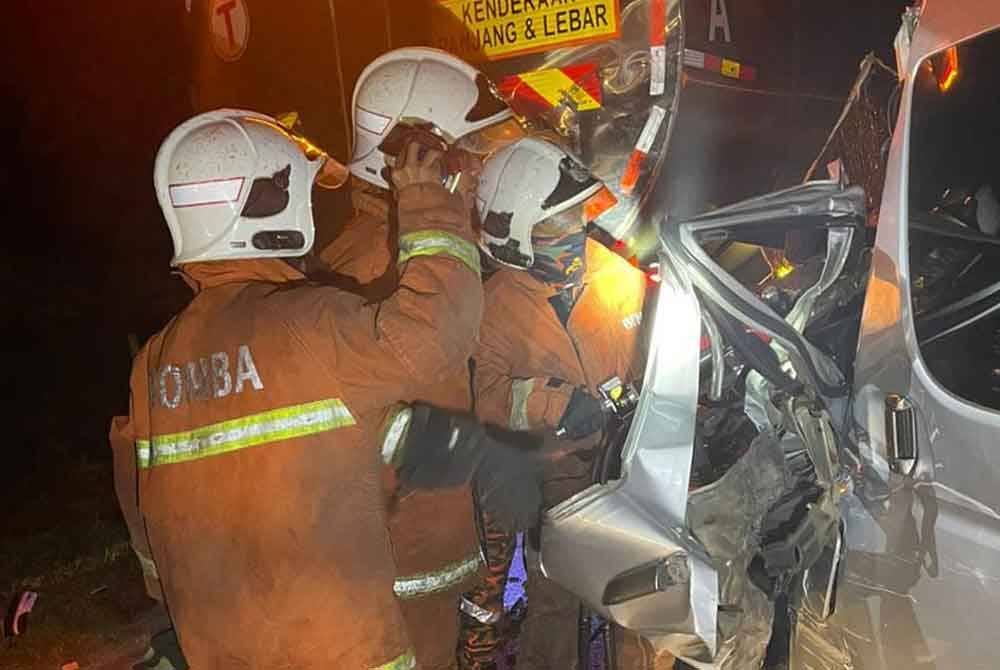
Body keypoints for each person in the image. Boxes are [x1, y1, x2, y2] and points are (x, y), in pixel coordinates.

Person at [110, 108, 488, 670]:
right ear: (268, 206)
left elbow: (139, 501)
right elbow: (439, 332)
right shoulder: (310, 324)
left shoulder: (156, 362)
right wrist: (429, 203)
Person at [315, 47, 526, 670]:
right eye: (472, 155)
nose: (484, 171)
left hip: (432, 552)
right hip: (403, 576)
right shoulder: (374, 271)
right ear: (422, 155)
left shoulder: (421, 256)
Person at [472, 137, 674, 670]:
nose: (573, 236)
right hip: (555, 478)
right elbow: (485, 404)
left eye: (575, 217)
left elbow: (660, 356)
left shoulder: (618, 274)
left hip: (629, 468)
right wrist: (552, 405)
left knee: (637, 602)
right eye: (553, 227)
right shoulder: (492, 309)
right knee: (554, 603)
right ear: (512, 237)